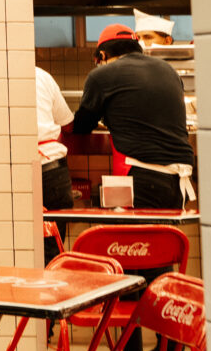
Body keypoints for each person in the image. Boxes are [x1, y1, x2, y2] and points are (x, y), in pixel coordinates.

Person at [72, 24, 195, 211]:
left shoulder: (101, 75)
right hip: (180, 182)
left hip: (142, 179)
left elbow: (82, 126)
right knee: (162, 238)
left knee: (133, 238)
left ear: (102, 56)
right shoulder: (168, 71)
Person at [35, 65, 74, 258]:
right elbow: (67, 124)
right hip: (52, 170)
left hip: (12, 170)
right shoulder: (42, 76)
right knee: (52, 248)